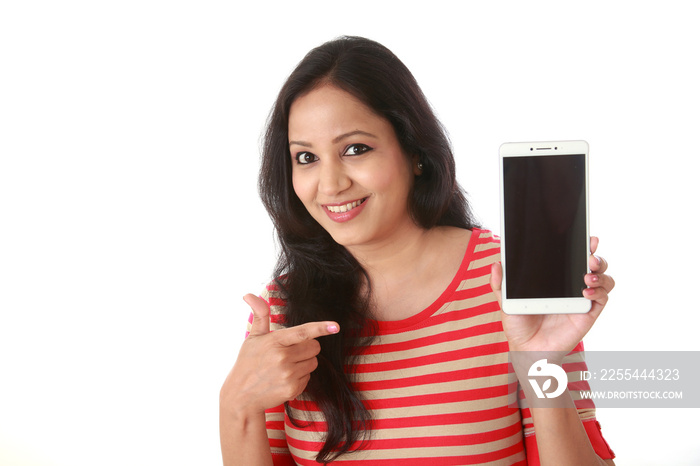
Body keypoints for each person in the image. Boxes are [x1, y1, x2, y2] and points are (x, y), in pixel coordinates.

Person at [219, 36, 616, 465]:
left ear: (415, 154)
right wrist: (236, 406)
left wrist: (539, 364)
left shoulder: (508, 283)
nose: (330, 185)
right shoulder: (282, 308)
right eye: (306, 158)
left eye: (355, 149)